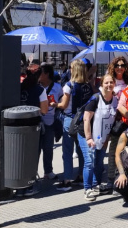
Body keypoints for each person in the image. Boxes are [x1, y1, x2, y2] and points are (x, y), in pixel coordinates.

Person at [55, 59, 93, 191]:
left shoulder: (69, 86)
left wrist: (55, 104)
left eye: (71, 68)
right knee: (81, 150)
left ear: (74, 70)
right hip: (83, 120)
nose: (70, 70)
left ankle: (67, 179)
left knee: (67, 151)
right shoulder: (88, 85)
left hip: (70, 120)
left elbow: (64, 105)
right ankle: (82, 177)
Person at [79, 75, 118, 201]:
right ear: (102, 84)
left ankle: (96, 185)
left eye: (111, 82)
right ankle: (87, 188)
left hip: (103, 136)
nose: (109, 85)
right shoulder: (95, 98)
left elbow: (111, 122)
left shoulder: (115, 100)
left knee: (99, 162)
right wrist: (89, 138)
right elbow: (86, 119)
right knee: (89, 162)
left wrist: (107, 139)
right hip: (86, 135)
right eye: (106, 82)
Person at [38, 64, 62, 181]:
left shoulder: (57, 87)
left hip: (50, 121)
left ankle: (48, 171)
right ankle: (32, 173)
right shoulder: (36, 86)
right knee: (35, 149)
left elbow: (62, 103)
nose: (38, 75)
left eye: (40, 72)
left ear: (47, 74)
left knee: (48, 148)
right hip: (37, 121)